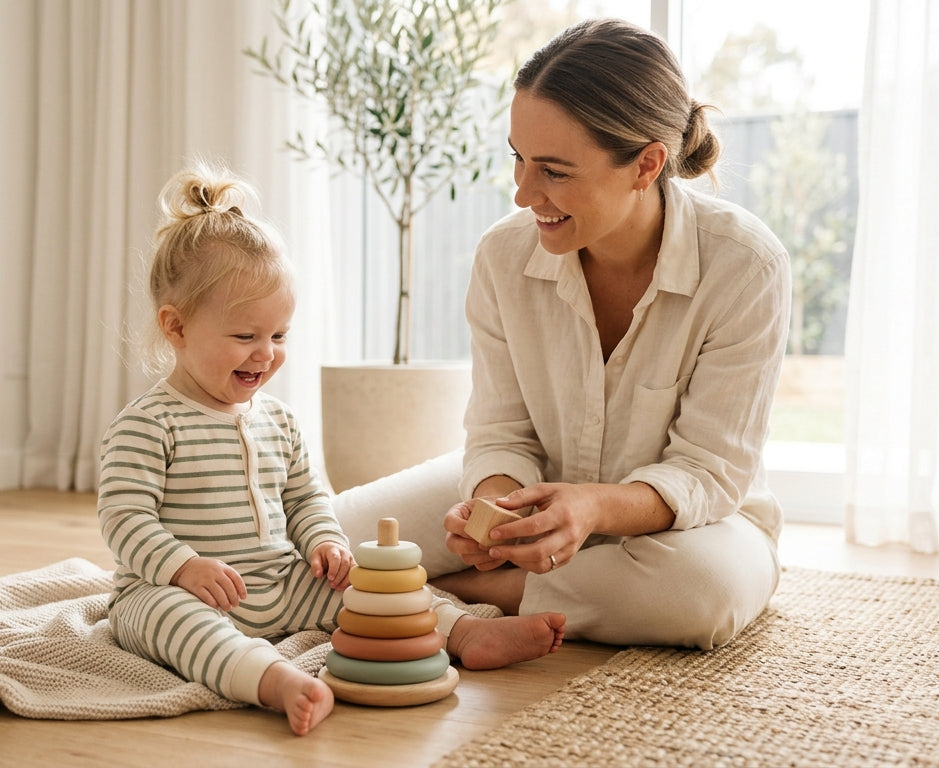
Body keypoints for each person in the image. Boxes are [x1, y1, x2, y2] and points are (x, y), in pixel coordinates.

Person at [336, 18, 789, 651]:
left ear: (646, 165)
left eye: (553, 170)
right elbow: (501, 433)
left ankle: (453, 594)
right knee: (330, 536)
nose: (523, 194)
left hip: (695, 524)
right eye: (518, 160)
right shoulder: (503, 256)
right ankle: (442, 583)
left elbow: (708, 471)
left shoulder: (744, 265)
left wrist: (594, 509)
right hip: (540, 492)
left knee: (699, 596)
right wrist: (493, 509)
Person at [99, 163, 564, 737]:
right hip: (175, 591)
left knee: (372, 583)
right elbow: (124, 518)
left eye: (279, 336)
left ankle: (466, 633)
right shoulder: (148, 424)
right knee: (171, 621)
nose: (264, 354)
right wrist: (183, 567)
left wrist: (323, 541)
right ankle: (273, 680)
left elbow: (307, 496)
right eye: (244, 337)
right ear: (176, 327)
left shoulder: (280, 421)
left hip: (278, 581)